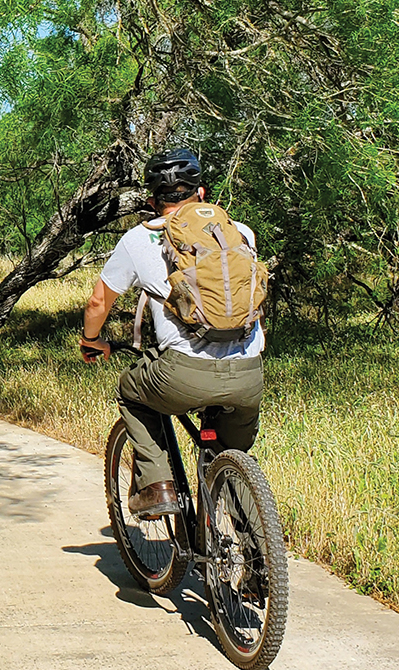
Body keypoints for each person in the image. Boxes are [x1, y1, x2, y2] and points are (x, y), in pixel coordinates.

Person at [78, 149, 264, 517]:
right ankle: (256, 541)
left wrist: (91, 341)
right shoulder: (240, 232)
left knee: (131, 391)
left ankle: (157, 485)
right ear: (202, 193)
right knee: (232, 455)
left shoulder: (137, 240)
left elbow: (98, 304)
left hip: (182, 374)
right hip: (249, 375)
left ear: (151, 201)